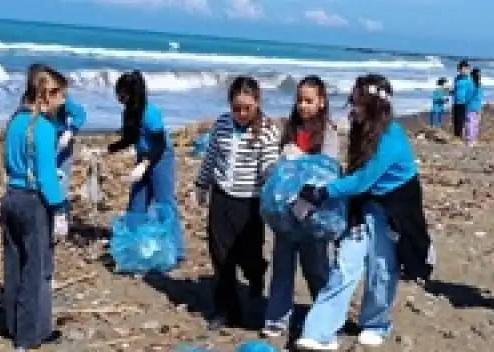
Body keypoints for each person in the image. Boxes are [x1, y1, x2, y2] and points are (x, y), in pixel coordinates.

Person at [294, 74, 434, 352]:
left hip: (395, 210)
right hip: (365, 205)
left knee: (382, 269)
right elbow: (356, 178)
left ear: (374, 105)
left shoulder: (390, 138)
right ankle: (319, 331)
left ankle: (375, 323)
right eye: (352, 101)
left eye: (358, 102)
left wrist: (322, 192)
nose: (353, 107)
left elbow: (363, 180)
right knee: (345, 264)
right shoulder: (361, 129)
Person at [195, 76, 281, 331]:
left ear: (257, 103)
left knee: (249, 254)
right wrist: (201, 184)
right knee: (221, 256)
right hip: (221, 196)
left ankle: (257, 274)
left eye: (247, 108)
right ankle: (226, 310)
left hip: (250, 202)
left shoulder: (267, 130)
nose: (241, 114)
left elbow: (269, 165)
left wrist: (275, 181)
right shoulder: (222, 124)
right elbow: (211, 156)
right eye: (236, 108)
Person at [1, 65, 69, 352]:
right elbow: (46, 177)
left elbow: (8, 163)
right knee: (37, 269)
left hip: (11, 197)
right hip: (33, 202)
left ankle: (14, 326)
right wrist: (60, 209)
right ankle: (30, 335)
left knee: (14, 264)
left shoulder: (15, 122)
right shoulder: (42, 128)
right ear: (45, 95)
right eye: (60, 95)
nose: (63, 101)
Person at [262, 75, 337, 338]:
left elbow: (328, 169)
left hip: (314, 210)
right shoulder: (290, 128)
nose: (303, 106)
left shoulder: (328, 131)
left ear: (321, 102)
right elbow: (277, 166)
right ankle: (277, 318)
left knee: (316, 266)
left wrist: (301, 159)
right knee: (282, 263)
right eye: (300, 100)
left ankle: (325, 314)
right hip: (285, 209)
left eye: (309, 100)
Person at [107, 70, 185, 260]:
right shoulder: (128, 112)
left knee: (164, 201)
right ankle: (134, 243)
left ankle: (176, 249)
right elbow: (131, 138)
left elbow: (159, 144)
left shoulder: (150, 114)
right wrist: (110, 149)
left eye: (122, 93)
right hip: (143, 157)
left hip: (160, 158)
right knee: (137, 202)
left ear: (132, 93)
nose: (119, 97)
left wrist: (145, 164)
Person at [52, 94, 87, 222]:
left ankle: (61, 217)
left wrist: (71, 131)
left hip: (62, 142)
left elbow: (80, 114)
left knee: (61, 181)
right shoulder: (37, 99)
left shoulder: (61, 98)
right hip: (45, 140)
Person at [451, 59, 472, 139]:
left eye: (465, 69)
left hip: (464, 103)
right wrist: (449, 91)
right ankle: (456, 137)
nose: (463, 70)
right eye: (461, 69)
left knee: (461, 121)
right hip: (456, 102)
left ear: (468, 69)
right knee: (455, 121)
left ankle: (460, 138)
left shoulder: (469, 80)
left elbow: (471, 92)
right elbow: (455, 90)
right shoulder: (457, 78)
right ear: (459, 69)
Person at [464, 68, 483, 146]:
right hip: (477, 106)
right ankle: (473, 140)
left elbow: (468, 96)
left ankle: (470, 141)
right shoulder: (479, 84)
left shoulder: (471, 84)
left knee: (470, 124)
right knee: (475, 124)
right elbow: (479, 97)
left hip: (471, 106)